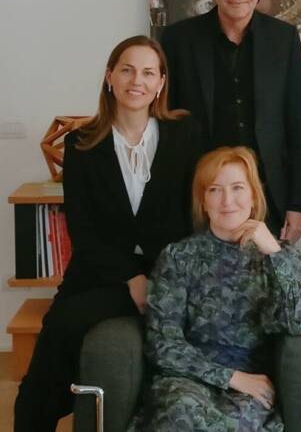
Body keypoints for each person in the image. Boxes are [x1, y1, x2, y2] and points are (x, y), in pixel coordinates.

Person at [13, 35, 200, 432]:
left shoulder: (184, 135)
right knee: (58, 329)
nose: (137, 81)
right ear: (110, 76)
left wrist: (162, 277)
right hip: (101, 271)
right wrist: (131, 278)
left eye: (148, 72)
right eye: (127, 70)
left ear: (161, 83)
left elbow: (192, 219)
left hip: (168, 271)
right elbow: (83, 229)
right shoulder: (81, 143)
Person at [129, 146, 301, 431]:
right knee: (182, 412)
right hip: (186, 380)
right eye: (215, 190)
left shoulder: (281, 256)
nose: (227, 201)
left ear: (253, 196)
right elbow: (162, 344)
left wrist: (274, 253)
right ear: (203, 202)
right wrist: (229, 377)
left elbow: (299, 321)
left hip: (252, 386)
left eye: (237, 188)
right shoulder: (178, 257)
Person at [161, 0, 301, 243]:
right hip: (199, 197)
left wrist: (298, 204)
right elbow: (165, 123)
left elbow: (298, 125)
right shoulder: (178, 39)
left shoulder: (284, 38)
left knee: (266, 269)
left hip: (268, 197)